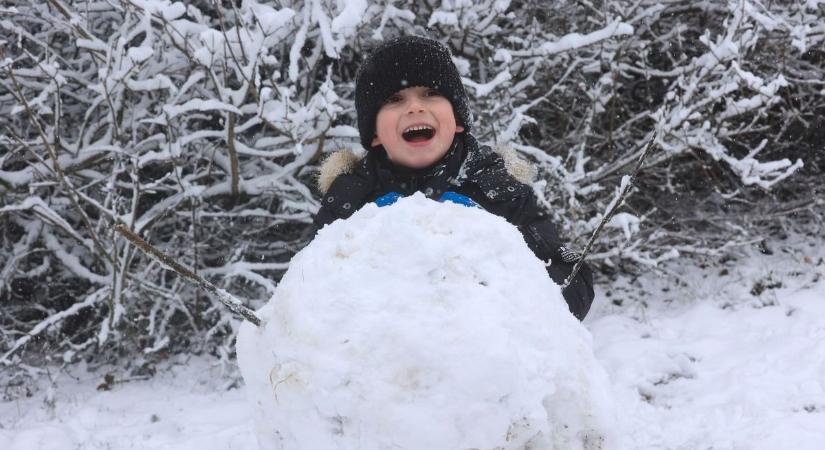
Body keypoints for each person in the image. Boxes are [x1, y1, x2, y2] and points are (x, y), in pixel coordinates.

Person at [313, 36, 594, 320]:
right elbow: (306, 291)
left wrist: (507, 284)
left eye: (430, 93)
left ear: (457, 120)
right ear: (373, 134)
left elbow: (570, 276)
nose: (414, 108)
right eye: (394, 99)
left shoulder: (498, 187)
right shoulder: (350, 199)